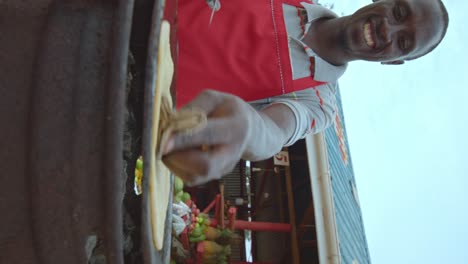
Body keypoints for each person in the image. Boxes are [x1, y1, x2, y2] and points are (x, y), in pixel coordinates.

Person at [162, 0, 449, 185]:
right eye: (399, 12)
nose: (388, 30)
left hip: (138, 96)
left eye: (403, 41)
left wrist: (248, 127)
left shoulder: (320, 105)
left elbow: (274, 130)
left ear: (394, 61)